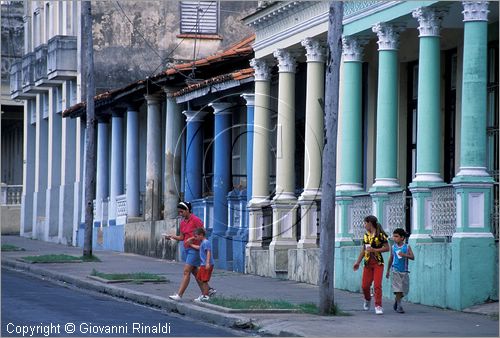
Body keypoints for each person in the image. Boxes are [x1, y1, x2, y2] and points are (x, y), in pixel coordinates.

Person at [165, 201, 216, 300]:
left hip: (195, 250)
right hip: (188, 249)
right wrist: (171, 237)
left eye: (181, 212)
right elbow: (181, 237)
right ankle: (207, 291)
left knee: (186, 271)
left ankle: (179, 295)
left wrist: (192, 239)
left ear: (187, 210)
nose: (180, 214)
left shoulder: (196, 220)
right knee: (196, 272)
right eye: (179, 212)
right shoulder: (183, 222)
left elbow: (202, 233)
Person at [353, 215, 390, 315]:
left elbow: (387, 248)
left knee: (377, 285)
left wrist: (375, 250)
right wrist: (357, 262)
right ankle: (367, 299)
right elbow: (363, 250)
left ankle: (378, 305)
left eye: (365, 223)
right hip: (367, 263)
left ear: (370, 223)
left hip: (378, 263)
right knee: (365, 286)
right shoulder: (366, 235)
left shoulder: (380, 235)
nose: (364, 225)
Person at [385, 228, 414, 313]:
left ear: (402, 238)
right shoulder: (393, 247)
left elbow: (412, 257)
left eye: (396, 236)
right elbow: (391, 258)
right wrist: (387, 270)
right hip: (395, 270)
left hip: (404, 271)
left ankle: (397, 301)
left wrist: (404, 255)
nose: (394, 238)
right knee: (398, 289)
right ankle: (399, 306)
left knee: (404, 290)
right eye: (394, 236)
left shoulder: (407, 247)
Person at [187, 227, 214, 302]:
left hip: (206, 264)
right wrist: (191, 245)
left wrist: (207, 263)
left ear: (201, 235)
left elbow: (208, 252)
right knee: (200, 278)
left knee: (204, 280)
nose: (195, 238)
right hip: (203, 264)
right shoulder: (203, 242)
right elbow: (200, 248)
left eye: (196, 236)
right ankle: (207, 293)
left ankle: (205, 296)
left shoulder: (206, 242)